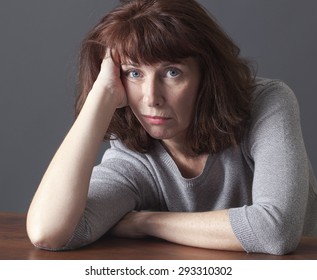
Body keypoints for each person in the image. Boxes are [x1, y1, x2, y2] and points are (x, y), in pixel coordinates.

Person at [26, 0, 317, 255]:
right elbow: (48, 233)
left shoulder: (267, 103)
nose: (151, 98)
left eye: (172, 72)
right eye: (134, 73)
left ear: (207, 75)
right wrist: (99, 98)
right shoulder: (133, 159)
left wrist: (146, 222)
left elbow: (276, 231)